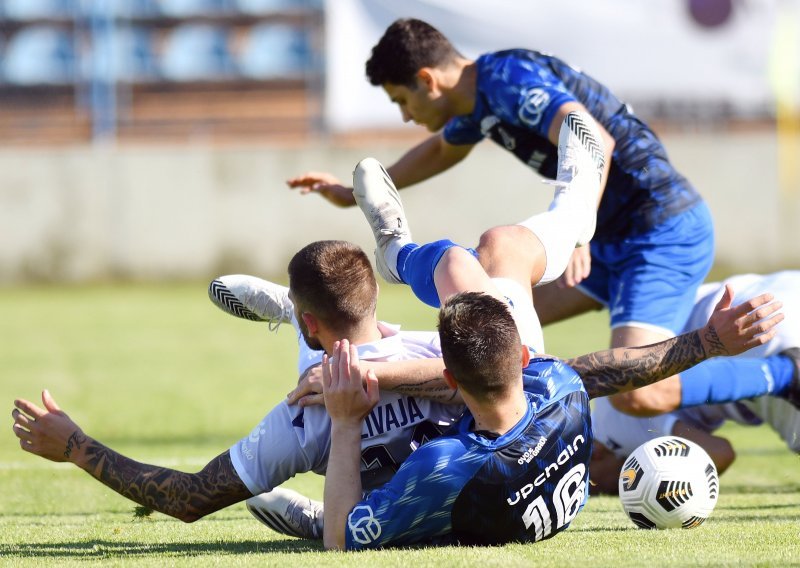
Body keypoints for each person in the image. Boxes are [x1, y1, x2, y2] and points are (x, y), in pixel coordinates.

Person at [316, 157, 781, 550]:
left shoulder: (444, 465)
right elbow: (621, 369)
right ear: (523, 357)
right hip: (541, 490)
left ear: (450, 381)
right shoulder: (557, 388)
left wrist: (345, 419)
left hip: (468, 490)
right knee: (503, 246)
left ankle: (396, 252)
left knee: (453, 261)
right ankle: (575, 215)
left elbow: (342, 536)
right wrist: (710, 342)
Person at [286, 17, 725, 419]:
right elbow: (441, 150)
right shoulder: (477, 100)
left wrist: (576, 230)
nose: (405, 115)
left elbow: (591, 135)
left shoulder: (506, 81)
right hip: (608, 238)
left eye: (403, 100)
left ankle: (778, 377)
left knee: (638, 395)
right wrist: (350, 194)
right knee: (480, 336)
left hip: (659, 231)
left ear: (427, 80)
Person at [11, 239, 465, 535]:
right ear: (374, 298)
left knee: (320, 359)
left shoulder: (304, 413)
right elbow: (519, 373)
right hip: (451, 512)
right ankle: (300, 316)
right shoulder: (442, 352)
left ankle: (292, 316)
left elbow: (188, 497)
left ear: (313, 320)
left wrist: (77, 446)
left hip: (365, 520)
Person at [588, 271, 800, 495]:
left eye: (590, 486)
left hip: (754, 336)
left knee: (640, 393)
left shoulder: (615, 432)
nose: (594, 492)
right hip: (763, 294)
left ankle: (783, 374)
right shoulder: (602, 412)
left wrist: (644, 487)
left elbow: (720, 454)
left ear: (596, 454)